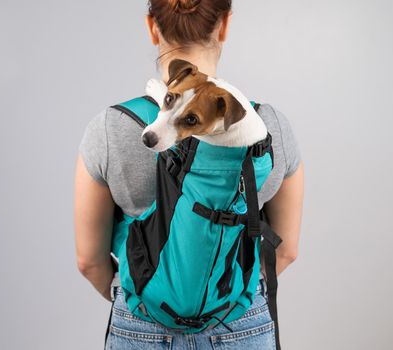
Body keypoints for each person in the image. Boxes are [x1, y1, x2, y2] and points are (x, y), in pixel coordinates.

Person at [74, 0, 304, 349]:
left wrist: (139, 299)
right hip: (239, 322)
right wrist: (223, 300)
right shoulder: (272, 128)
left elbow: (89, 261)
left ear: (151, 26)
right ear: (225, 24)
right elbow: (285, 251)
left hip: (141, 322)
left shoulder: (108, 128)